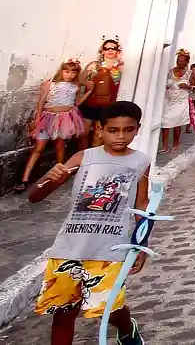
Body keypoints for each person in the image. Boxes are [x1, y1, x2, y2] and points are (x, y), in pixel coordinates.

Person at [27, 100, 150, 345]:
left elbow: (143, 205)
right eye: (113, 130)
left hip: (111, 249)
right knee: (63, 313)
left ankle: (127, 329)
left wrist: (141, 244)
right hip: (69, 247)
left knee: (109, 309)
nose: (121, 136)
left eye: (128, 130)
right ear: (100, 129)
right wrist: (49, 179)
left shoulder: (141, 162)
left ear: (137, 129)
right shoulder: (83, 158)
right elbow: (35, 197)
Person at [13, 60, 86, 193]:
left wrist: (89, 90)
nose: (69, 75)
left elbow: (77, 102)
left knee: (60, 145)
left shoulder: (75, 87)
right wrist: (37, 120)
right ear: (61, 71)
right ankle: (24, 179)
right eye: (67, 71)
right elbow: (41, 103)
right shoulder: (50, 85)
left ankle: (59, 173)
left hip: (64, 118)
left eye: (73, 72)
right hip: (47, 118)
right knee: (38, 148)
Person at [79, 38, 123, 148]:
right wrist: (86, 83)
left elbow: (120, 83)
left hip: (108, 105)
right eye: (107, 48)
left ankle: (94, 160)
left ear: (118, 51)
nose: (110, 50)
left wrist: (115, 67)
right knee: (83, 134)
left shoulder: (121, 66)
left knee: (98, 136)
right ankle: (83, 157)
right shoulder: (94, 65)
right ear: (102, 51)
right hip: (90, 103)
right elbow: (80, 79)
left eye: (113, 48)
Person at [160, 49, 193, 153]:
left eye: (181, 61)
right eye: (178, 60)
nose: (179, 62)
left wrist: (187, 86)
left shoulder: (189, 73)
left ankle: (176, 143)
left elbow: (193, 87)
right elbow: (164, 84)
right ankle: (164, 146)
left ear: (187, 62)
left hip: (180, 101)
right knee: (165, 122)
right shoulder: (170, 71)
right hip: (169, 99)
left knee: (177, 122)